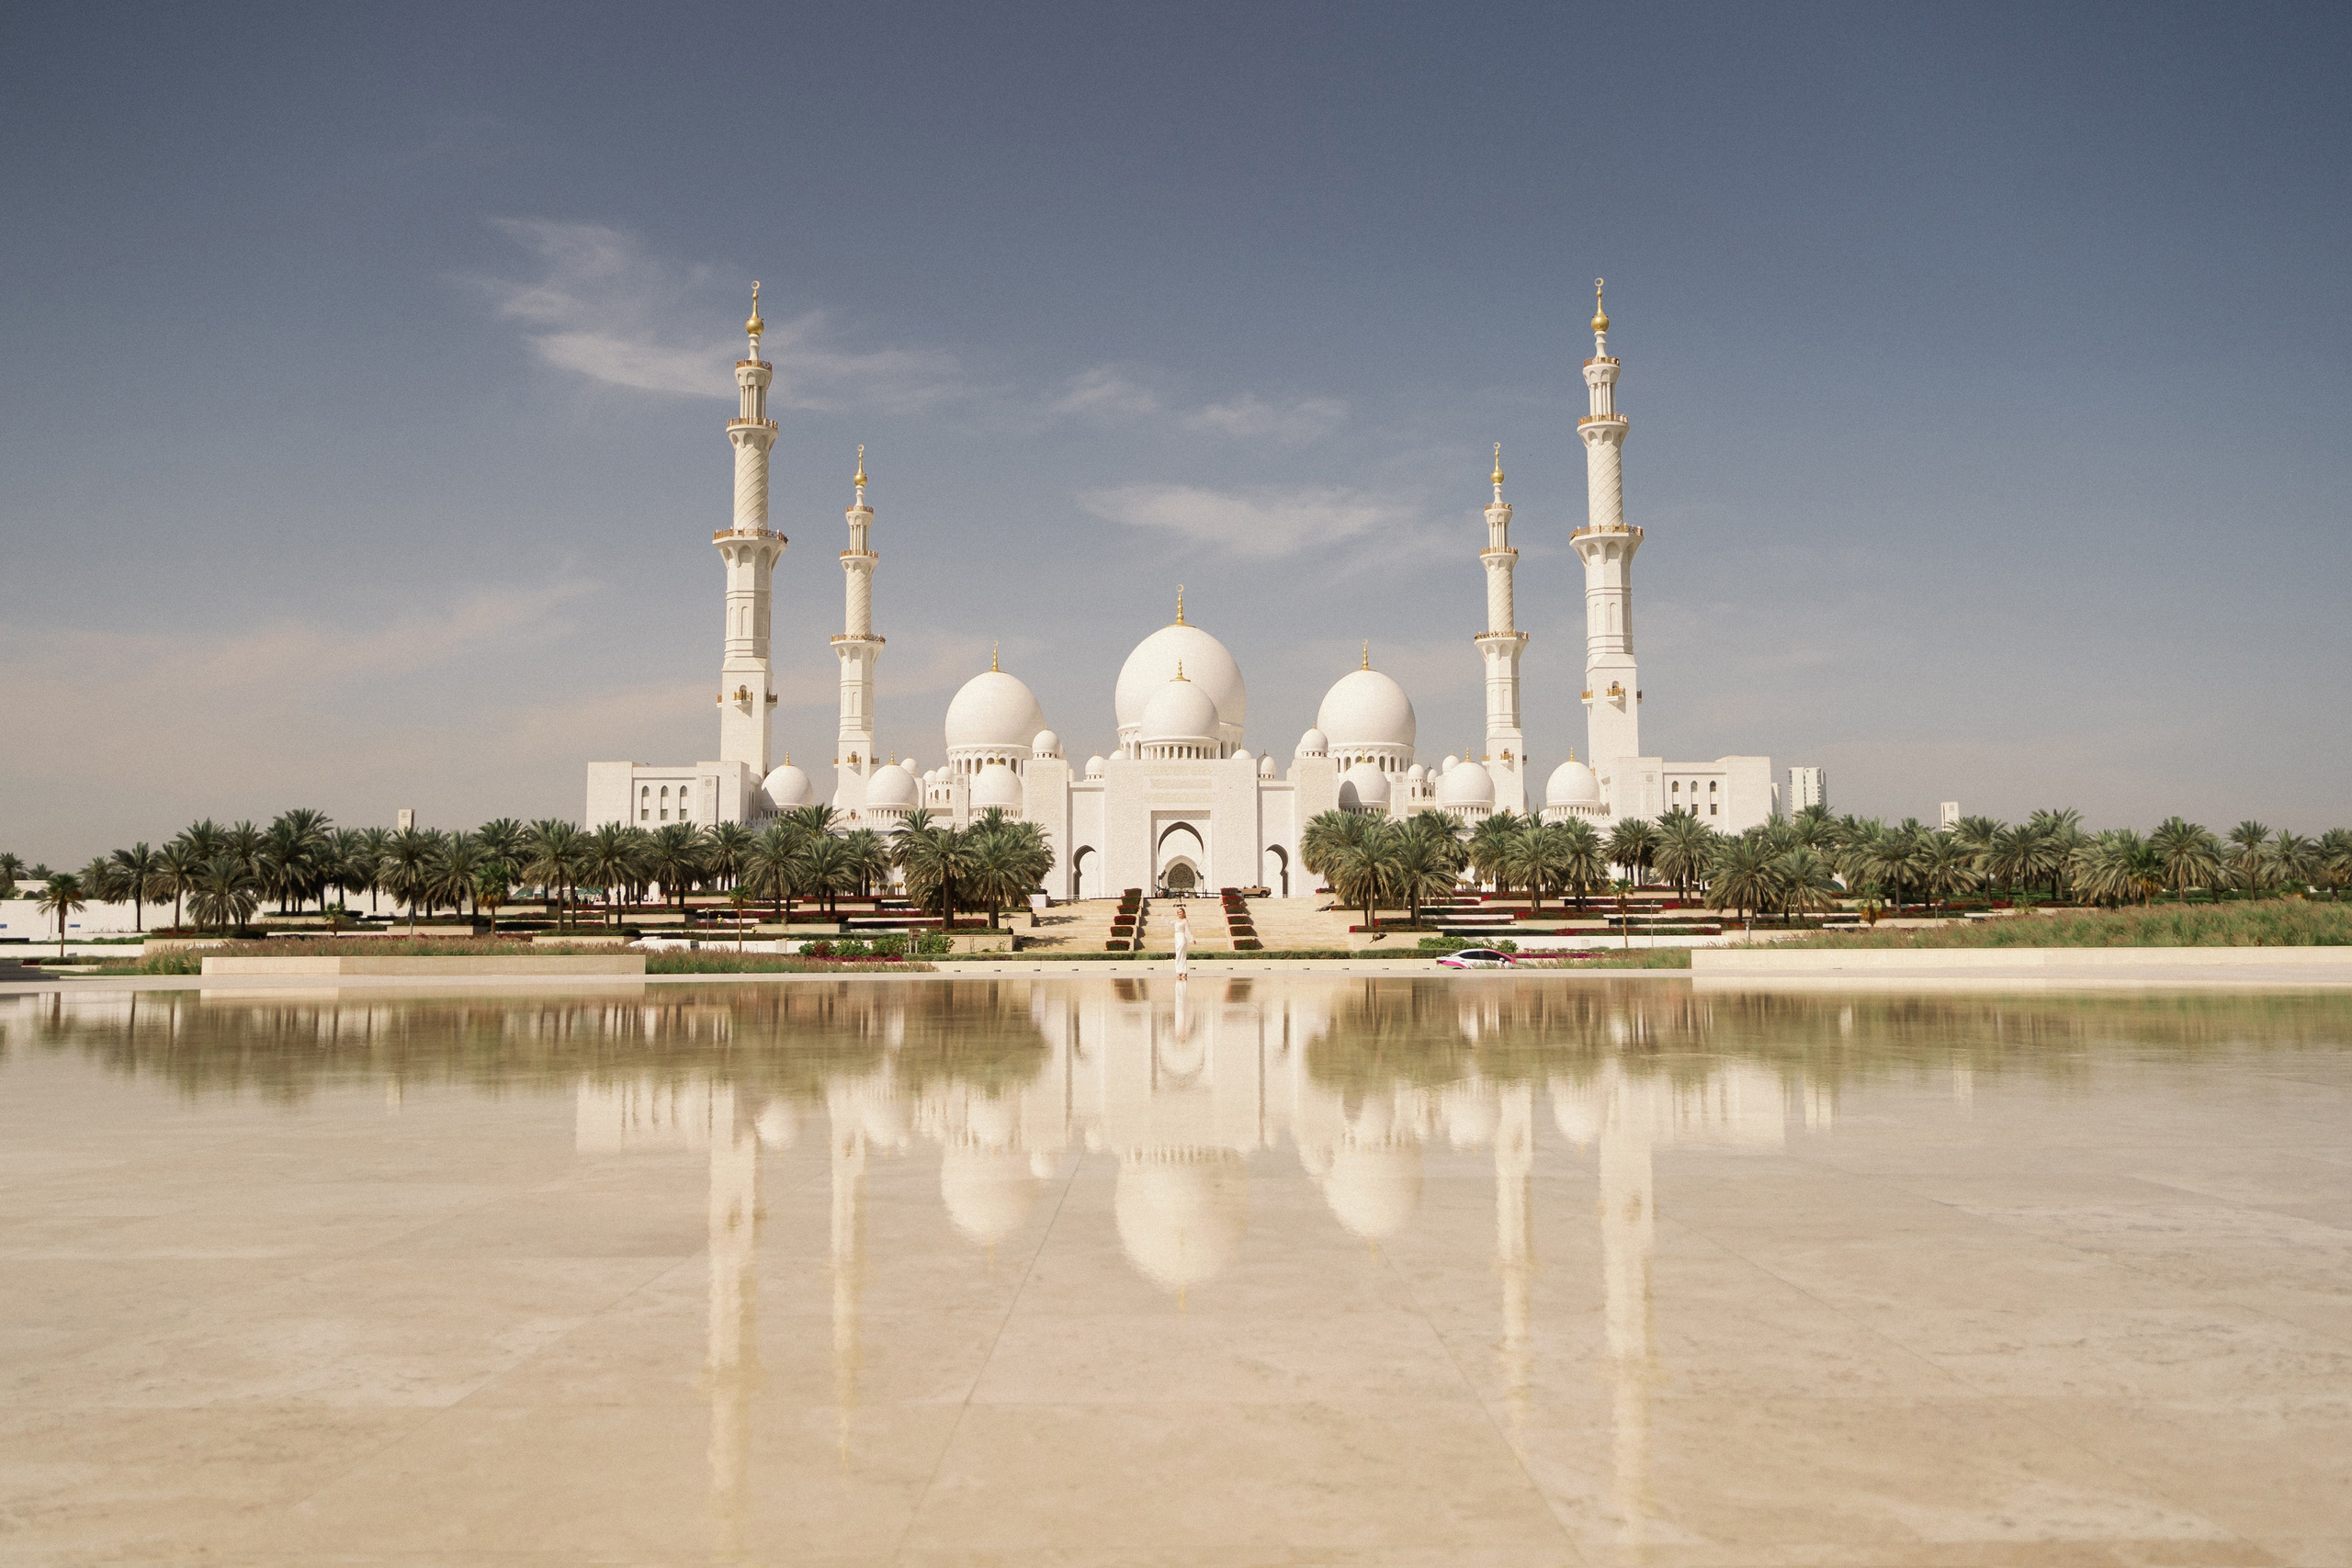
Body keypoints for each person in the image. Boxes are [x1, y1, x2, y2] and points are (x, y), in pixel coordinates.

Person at [1170, 902, 1192, 979]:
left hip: (1182, 937)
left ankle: (1184, 971)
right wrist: (1163, 917)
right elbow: (1168, 923)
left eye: (1181, 912)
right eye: (1178, 912)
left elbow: (1188, 931)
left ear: (1184, 913)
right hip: (1177, 937)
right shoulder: (1176, 921)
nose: (1179, 913)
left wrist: (1191, 939)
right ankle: (1179, 971)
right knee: (1178, 954)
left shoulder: (1185, 921)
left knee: (1182, 954)